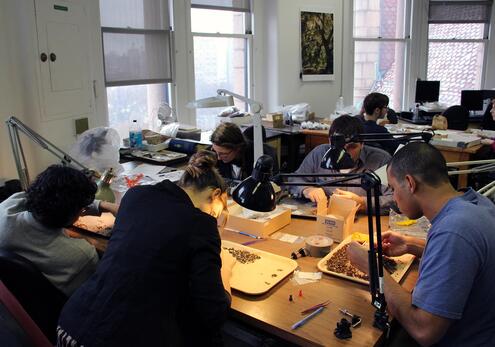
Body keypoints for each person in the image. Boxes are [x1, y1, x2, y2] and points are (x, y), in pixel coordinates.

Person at [57, 151, 236, 347]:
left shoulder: (135, 195)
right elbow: (213, 311)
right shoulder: (201, 224)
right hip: (116, 338)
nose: (214, 217)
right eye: (218, 211)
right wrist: (225, 274)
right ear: (216, 194)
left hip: (70, 324)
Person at [347, 142, 495, 346]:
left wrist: (373, 269)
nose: (394, 197)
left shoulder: (453, 230)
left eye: (393, 188)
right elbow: (468, 258)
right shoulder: (474, 203)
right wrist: (412, 245)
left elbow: (424, 330)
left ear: (410, 183)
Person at [0, 165, 118, 296]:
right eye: (82, 209)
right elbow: (94, 290)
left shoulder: (8, 207)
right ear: (72, 216)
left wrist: (101, 204)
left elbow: (41, 196)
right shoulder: (82, 255)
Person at [288, 115, 393, 213]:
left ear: (362, 144)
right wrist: (307, 189)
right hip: (326, 218)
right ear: (329, 141)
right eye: (339, 147)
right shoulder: (319, 154)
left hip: (363, 222)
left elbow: (395, 199)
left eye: (352, 147)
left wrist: (363, 203)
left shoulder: (381, 160)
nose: (344, 153)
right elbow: (295, 179)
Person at [210, 122, 279, 181]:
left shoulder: (262, 157)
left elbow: (273, 186)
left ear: (237, 148)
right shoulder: (215, 153)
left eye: (223, 154)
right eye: (215, 151)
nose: (218, 158)